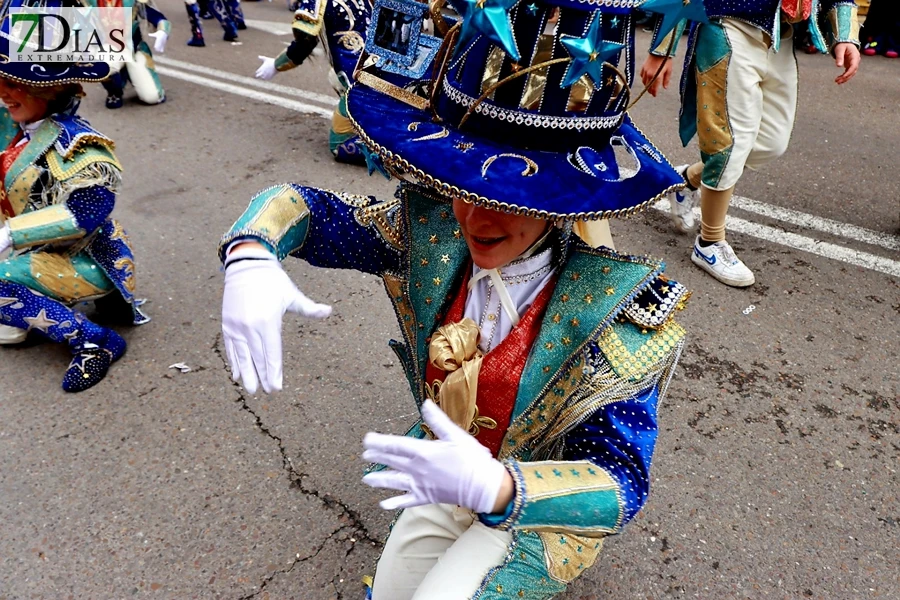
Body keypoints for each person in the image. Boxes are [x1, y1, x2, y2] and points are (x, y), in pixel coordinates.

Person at [220, 1, 690, 597]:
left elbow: (622, 484)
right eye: (458, 183)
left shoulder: (617, 310)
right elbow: (311, 210)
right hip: (444, 474)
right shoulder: (433, 237)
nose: (472, 214)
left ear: (562, 201)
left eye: (509, 196)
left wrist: (502, 489)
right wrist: (251, 249)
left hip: (539, 514)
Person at [639, 1, 861, 287]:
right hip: (729, 25)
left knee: (771, 143)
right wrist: (662, 49)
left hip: (781, 36)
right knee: (728, 142)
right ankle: (709, 243)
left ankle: (687, 180)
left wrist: (844, 35)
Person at [0, 0, 149, 392]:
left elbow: (88, 211)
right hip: (41, 252)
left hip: (86, 258)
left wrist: (10, 234)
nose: (3, 93)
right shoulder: (20, 123)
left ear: (50, 89)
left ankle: (93, 341)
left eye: (15, 84)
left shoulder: (79, 144)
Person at [254, 0, 370, 164]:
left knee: (340, 146)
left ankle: (390, 154)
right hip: (391, 74)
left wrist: (275, 65)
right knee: (335, 77)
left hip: (362, 83)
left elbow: (304, 44)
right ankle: (368, 124)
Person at [90, 0, 169, 109]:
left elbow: (157, 17)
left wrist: (163, 31)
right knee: (103, 64)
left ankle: (131, 73)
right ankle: (114, 92)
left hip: (133, 49)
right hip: (108, 48)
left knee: (151, 97)